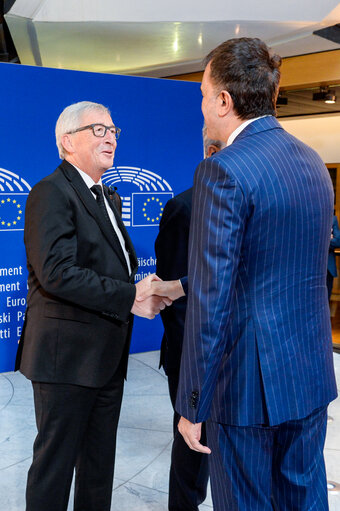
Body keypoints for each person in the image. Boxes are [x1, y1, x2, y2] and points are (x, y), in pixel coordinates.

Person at [174, 38, 337, 510]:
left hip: (246, 386)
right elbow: (274, 266)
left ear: (224, 101)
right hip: (308, 373)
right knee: (303, 499)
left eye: (204, 93)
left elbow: (213, 297)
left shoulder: (222, 170)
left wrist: (192, 404)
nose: (202, 106)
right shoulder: (312, 162)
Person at [15, 101, 171, 511]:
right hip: (65, 360)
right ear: (68, 142)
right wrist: (128, 297)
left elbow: (106, 267)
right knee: (55, 468)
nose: (110, 137)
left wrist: (139, 288)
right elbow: (57, 272)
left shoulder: (108, 196)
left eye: (113, 130)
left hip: (105, 358)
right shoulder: (50, 192)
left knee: (99, 467)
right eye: (98, 130)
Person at [155, 127, 225, 511]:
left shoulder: (249, 201)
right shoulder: (184, 206)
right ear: (213, 152)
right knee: (190, 452)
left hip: (234, 353)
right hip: (190, 354)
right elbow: (173, 295)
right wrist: (190, 365)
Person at [327, 214, 340, 300]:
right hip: (310, 267)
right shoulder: (309, 218)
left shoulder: (332, 219)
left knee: (327, 299)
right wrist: (328, 237)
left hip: (328, 269)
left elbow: (338, 241)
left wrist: (323, 240)